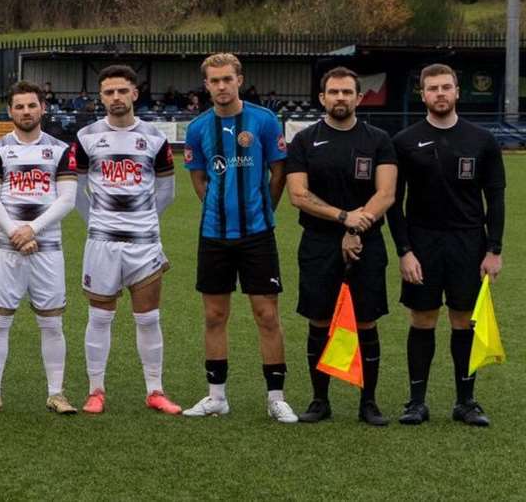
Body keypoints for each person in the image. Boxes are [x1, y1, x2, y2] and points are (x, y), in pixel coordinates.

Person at [388, 64, 506, 427]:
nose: (440, 93)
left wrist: (494, 249)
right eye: (432, 88)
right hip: (422, 242)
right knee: (422, 319)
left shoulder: (482, 140)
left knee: (462, 321)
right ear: (422, 95)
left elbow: (496, 199)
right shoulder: (404, 141)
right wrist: (404, 251)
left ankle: (466, 402)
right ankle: (416, 402)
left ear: (457, 92)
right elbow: (393, 201)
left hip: (468, 242)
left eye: (446, 87)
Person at [182, 53, 296, 423]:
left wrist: (264, 210)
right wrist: (216, 206)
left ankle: (275, 397)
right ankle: (217, 396)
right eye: (214, 81)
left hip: (257, 235)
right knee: (215, 315)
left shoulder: (263, 121)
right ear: (206, 85)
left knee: (267, 315)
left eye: (227, 79)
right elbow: (198, 178)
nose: (221, 86)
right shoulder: (198, 128)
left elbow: (278, 172)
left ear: (239, 80)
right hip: (214, 235)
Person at [284, 67, 396, 425]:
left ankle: (369, 402)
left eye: (347, 92)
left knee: (366, 321)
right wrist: (343, 217)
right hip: (318, 243)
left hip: (369, 241)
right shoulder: (304, 141)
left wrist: (357, 226)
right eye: (334, 92)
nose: (341, 98)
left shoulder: (378, 139)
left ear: (358, 97)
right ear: (322, 98)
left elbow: (387, 193)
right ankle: (320, 400)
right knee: (319, 320)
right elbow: (298, 195)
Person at [72, 65, 183, 415]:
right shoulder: (87, 136)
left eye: (122, 91)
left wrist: (143, 221)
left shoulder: (155, 137)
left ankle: (155, 390)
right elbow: (75, 190)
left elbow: (166, 190)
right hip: (102, 243)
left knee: (148, 318)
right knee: (100, 317)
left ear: (135, 93)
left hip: (144, 242)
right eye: (108, 92)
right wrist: (98, 223)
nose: (116, 98)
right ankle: (95, 390)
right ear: (100, 97)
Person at [0, 81, 80, 416]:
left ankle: (56, 393)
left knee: (52, 324)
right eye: (18, 106)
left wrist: (31, 230)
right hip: (6, 250)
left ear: (42, 108)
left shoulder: (62, 150)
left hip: (47, 249)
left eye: (31, 106)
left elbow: (67, 199)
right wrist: (16, 233)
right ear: (10, 111)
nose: (25, 112)